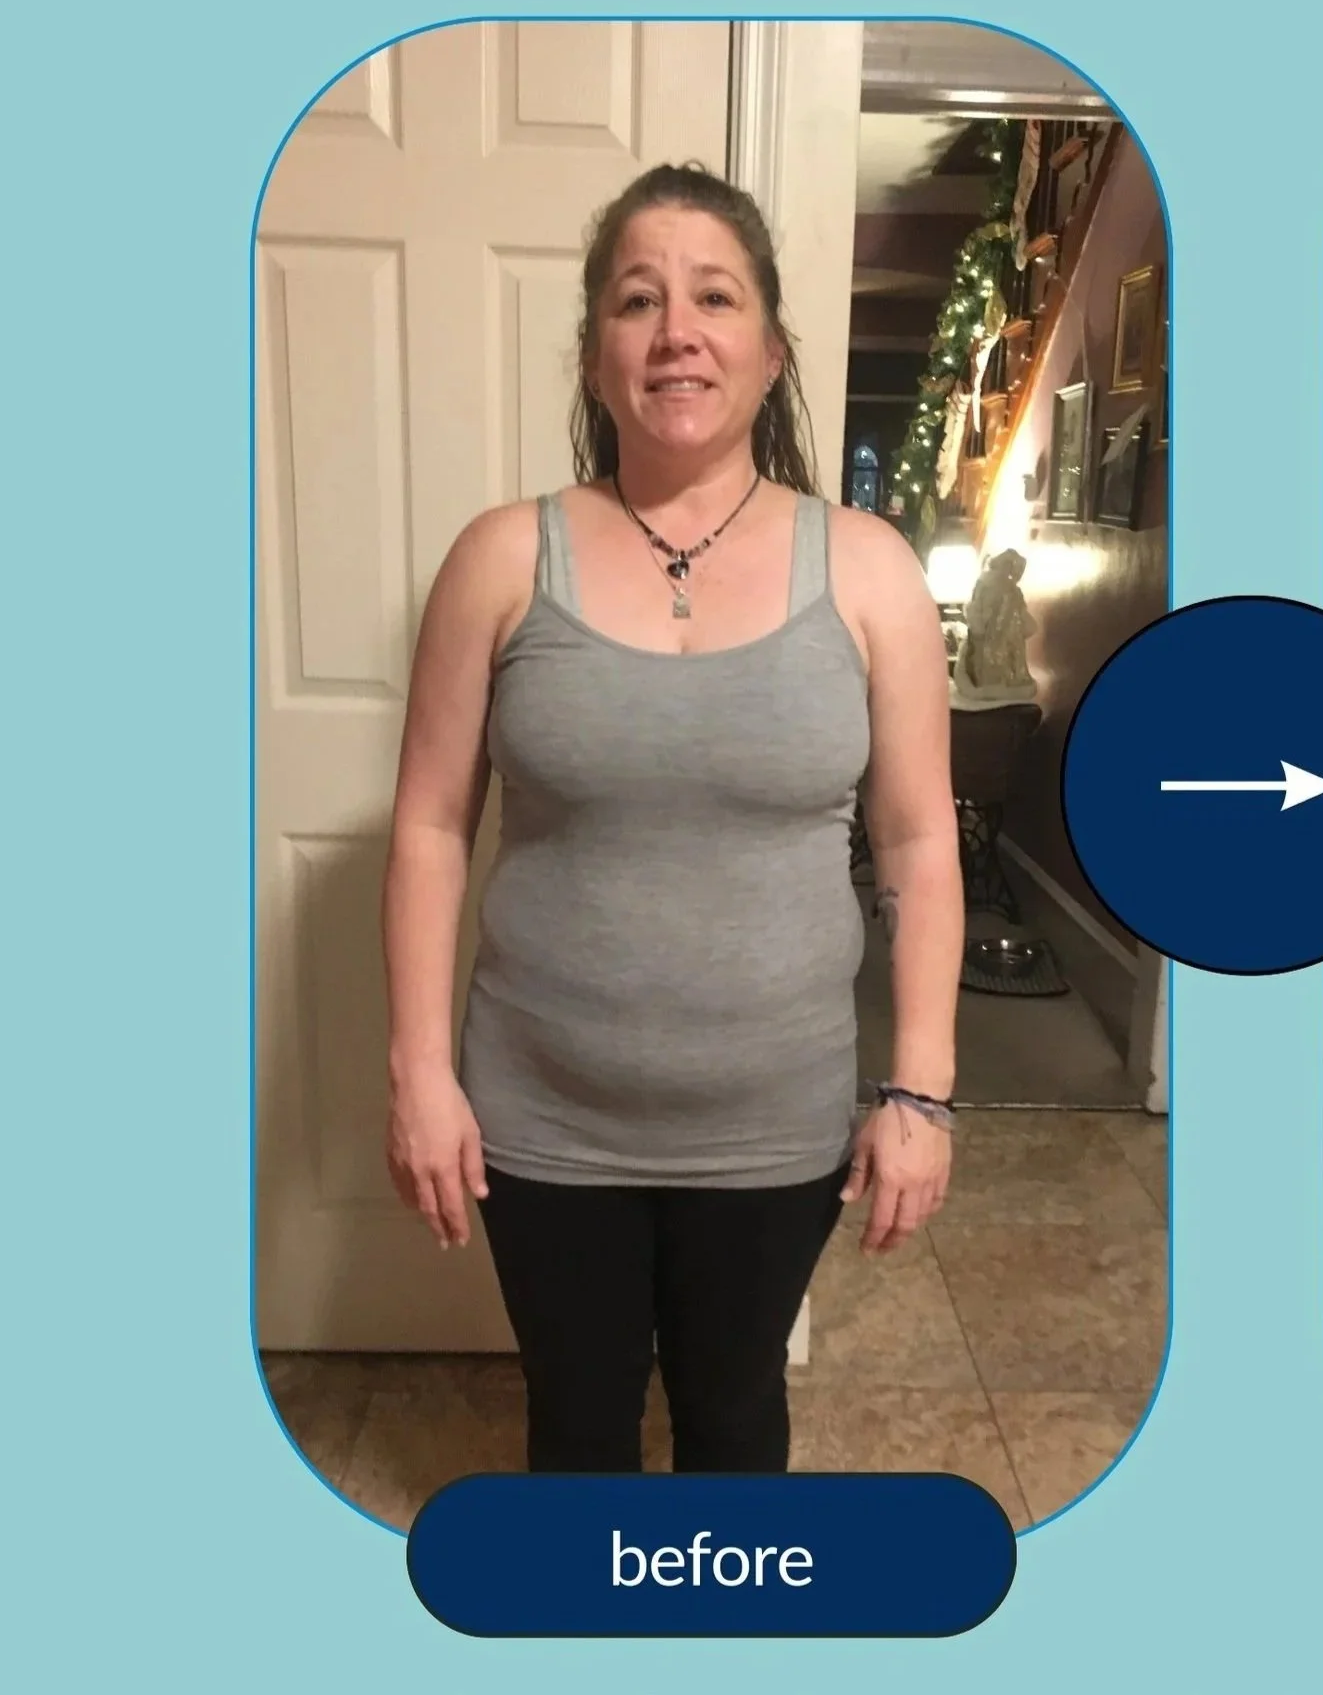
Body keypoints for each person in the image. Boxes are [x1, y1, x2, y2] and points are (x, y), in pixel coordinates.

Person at [379, 163, 963, 1473]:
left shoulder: (868, 571)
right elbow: (426, 827)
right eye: (639, 301)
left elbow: (922, 851)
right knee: (577, 1423)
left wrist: (922, 1090)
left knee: (736, 1409)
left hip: (774, 1125)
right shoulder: (499, 560)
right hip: (540, 1115)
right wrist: (420, 1072)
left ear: (769, 354)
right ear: (596, 359)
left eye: (716, 297)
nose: (678, 330)